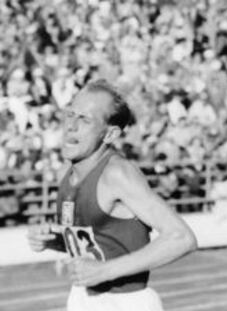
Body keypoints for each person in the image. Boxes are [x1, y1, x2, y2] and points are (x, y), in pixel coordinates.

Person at [27, 79, 197, 311]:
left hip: (125, 302)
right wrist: (54, 242)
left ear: (109, 134)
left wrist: (104, 271)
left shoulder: (117, 173)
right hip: (83, 298)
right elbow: (98, 243)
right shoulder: (67, 172)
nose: (71, 125)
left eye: (85, 119)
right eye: (70, 114)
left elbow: (181, 238)